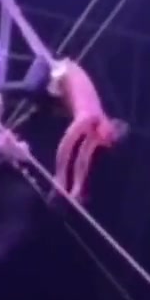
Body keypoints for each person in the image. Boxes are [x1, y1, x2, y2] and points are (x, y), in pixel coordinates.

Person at [46, 59, 127, 204]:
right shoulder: (90, 116)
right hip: (61, 72)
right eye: (107, 138)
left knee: (56, 108)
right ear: (110, 127)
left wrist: (77, 188)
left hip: (62, 85)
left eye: (107, 143)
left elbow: (83, 159)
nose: (102, 142)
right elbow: (66, 144)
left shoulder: (99, 131)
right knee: (39, 101)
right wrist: (60, 178)